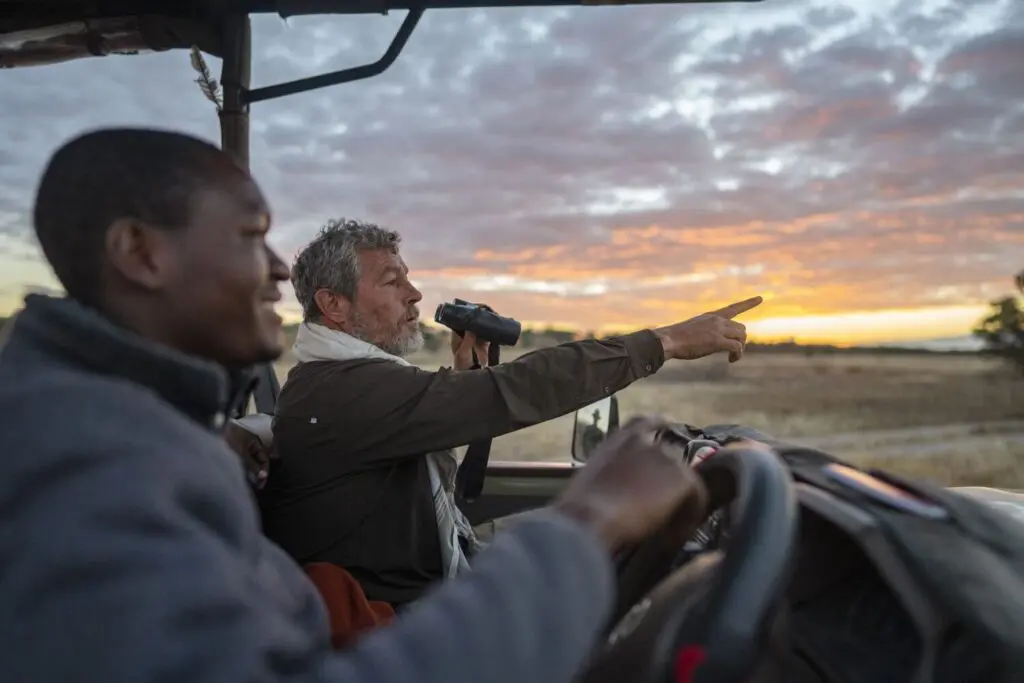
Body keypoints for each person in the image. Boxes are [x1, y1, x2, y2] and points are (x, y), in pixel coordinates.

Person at [0, 127, 712, 683]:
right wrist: (588, 521)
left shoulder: (136, 421)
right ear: (140, 251)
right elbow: (507, 393)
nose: (278, 270)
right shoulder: (89, 463)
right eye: (252, 236)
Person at [260, 218, 762, 607]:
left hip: (439, 567)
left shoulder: (340, 381)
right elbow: (520, 387)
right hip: (411, 608)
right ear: (334, 304)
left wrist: (462, 380)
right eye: (393, 282)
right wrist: (665, 341)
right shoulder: (344, 390)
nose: (414, 295)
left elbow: (425, 439)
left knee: (606, 544)